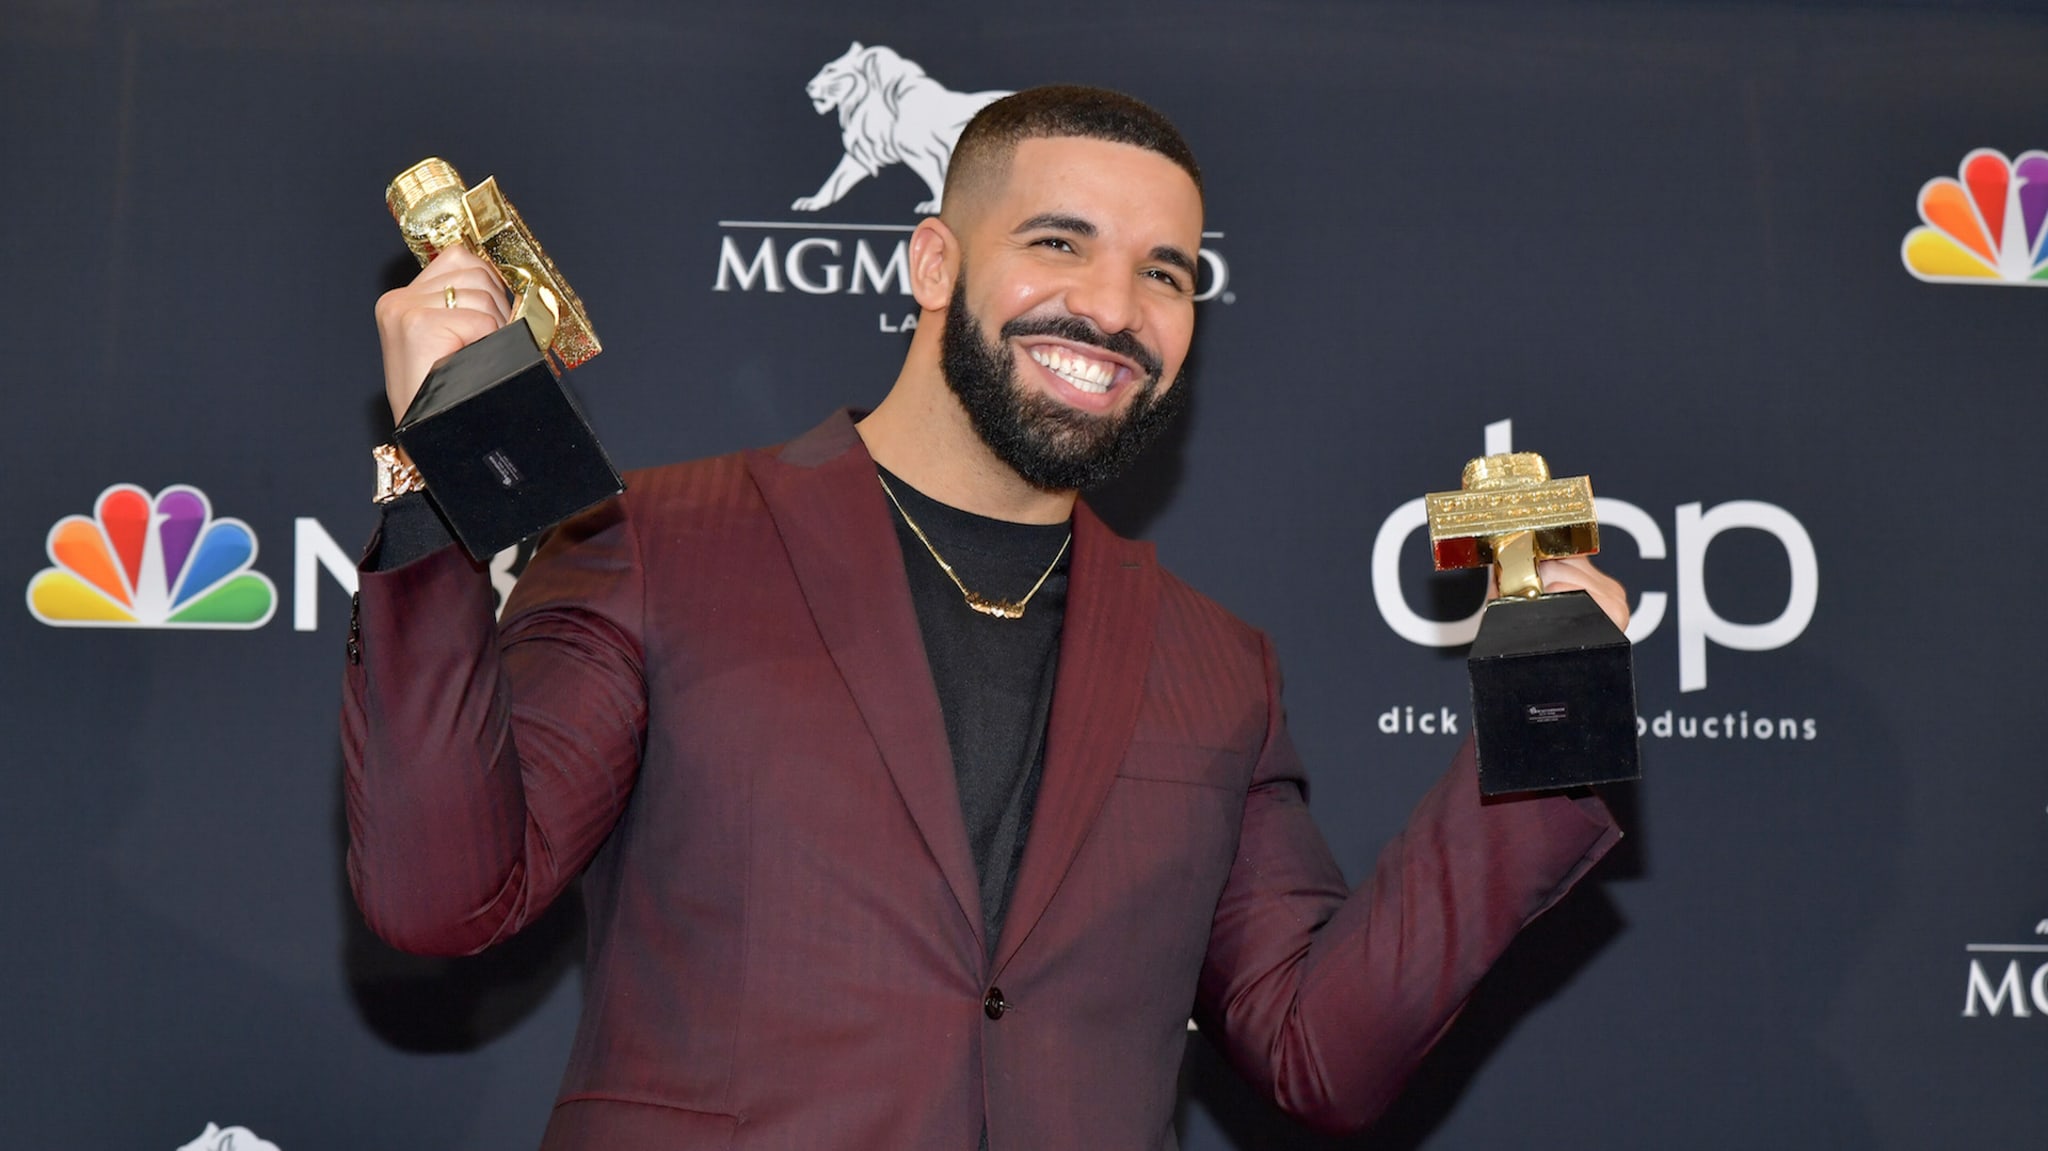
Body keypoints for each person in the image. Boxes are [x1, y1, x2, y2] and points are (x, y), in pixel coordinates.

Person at [345, 86, 1626, 1150]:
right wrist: (441, 473)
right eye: (1059, 244)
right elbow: (444, 892)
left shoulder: (1213, 661)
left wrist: (1543, 727)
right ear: (933, 260)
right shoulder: (659, 541)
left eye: (1165, 273)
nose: (1114, 311)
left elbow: (1316, 1051)